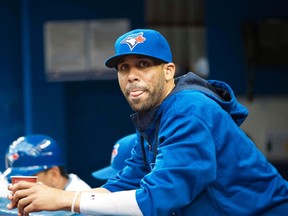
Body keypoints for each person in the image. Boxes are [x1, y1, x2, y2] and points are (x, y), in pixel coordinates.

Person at [7, 29, 288, 216]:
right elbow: (125, 182)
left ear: (168, 71)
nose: (131, 75)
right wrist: (57, 198)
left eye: (143, 64)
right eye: (124, 68)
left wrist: (67, 199)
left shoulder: (188, 110)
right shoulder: (154, 118)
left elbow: (159, 197)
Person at [5, 134, 91, 191]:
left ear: (54, 175)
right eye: (15, 180)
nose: (19, 187)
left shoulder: (82, 205)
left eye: (28, 179)